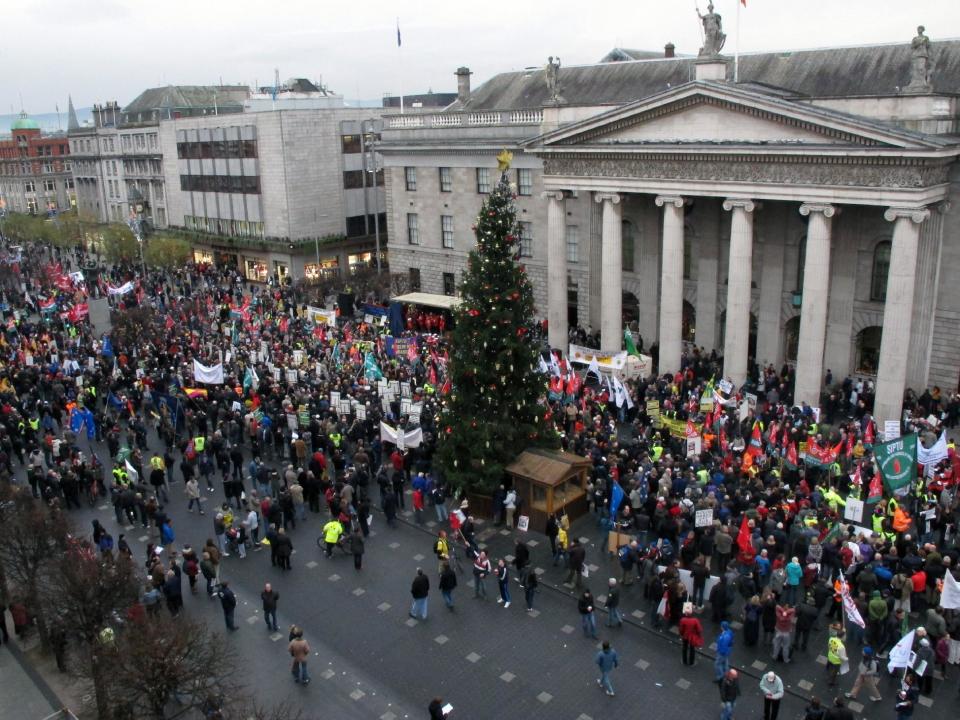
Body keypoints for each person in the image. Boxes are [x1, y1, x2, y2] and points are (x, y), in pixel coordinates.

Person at [679, 601, 703, 666]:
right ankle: (691, 662)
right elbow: (699, 629)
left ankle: (684, 661)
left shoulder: (683, 620)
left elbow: (681, 630)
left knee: (684, 648)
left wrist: (681, 634)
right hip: (692, 637)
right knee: (692, 649)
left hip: (685, 636)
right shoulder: (695, 620)